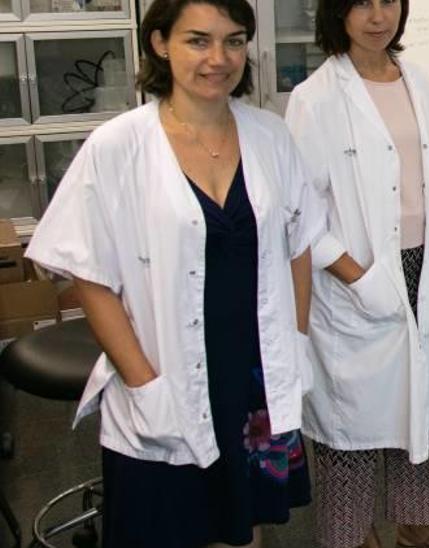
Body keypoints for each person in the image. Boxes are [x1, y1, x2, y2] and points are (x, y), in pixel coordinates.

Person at [23, 0, 324, 546]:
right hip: (166, 371)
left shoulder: (270, 137)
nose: (219, 58)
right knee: (167, 525)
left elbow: (298, 246)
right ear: (160, 42)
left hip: (255, 372)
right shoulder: (119, 146)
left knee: (245, 523)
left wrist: (298, 340)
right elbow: (90, 278)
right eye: (198, 40)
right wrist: (142, 382)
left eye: (234, 40)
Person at [284, 0, 429, 546]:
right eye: (361, 3)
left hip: (423, 267)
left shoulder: (417, 81)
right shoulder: (315, 99)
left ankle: (418, 532)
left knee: (425, 413)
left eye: (388, 1)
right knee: (355, 424)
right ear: (338, 13)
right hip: (359, 277)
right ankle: (353, 537)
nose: (377, 16)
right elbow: (301, 214)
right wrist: (358, 277)